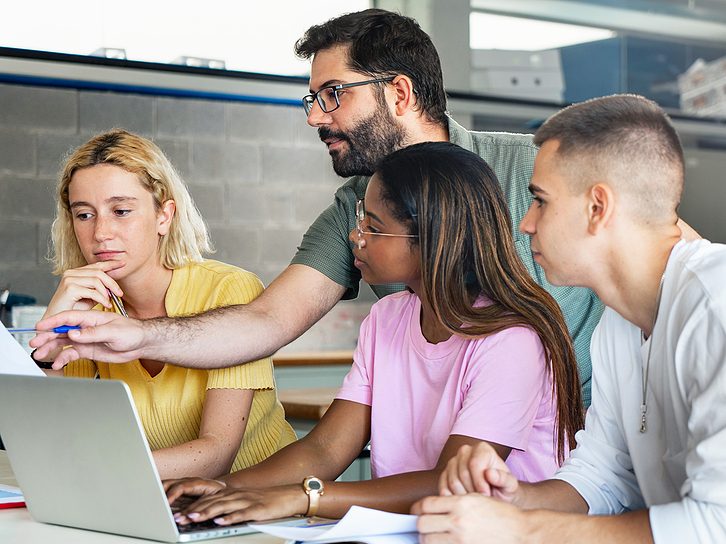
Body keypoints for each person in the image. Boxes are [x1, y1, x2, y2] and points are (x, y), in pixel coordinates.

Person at [32, 8, 603, 406]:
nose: (314, 117)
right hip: (454, 456)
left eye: (333, 95)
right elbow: (266, 320)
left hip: (585, 446)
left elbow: (664, 244)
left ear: (399, 94)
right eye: (312, 98)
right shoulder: (353, 210)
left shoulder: (536, 165)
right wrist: (138, 336)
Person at [164, 142, 584, 525]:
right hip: (416, 531)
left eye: (374, 227)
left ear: (433, 239)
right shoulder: (387, 318)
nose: (355, 237)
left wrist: (304, 498)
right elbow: (324, 450)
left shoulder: (511, 339)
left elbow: (452, 483)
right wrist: (228, 488)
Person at [412, 94, 726, 543]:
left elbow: (716, 525)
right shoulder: (618, 321)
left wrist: (523, 529)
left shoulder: (716, 306)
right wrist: (512, 498)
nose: (525, 223)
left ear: (598, 208)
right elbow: (606, 474)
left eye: (540, 201)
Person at [36, 129, 296, 480]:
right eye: (85, 215)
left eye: (121, 211)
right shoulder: (91, 307)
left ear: (164, 215)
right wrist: (47, 344)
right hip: (159, 498)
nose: (101, 233)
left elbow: (215, 455)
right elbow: (55, 437)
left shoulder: (229, 290)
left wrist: (103, 468)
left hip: (261, 503)